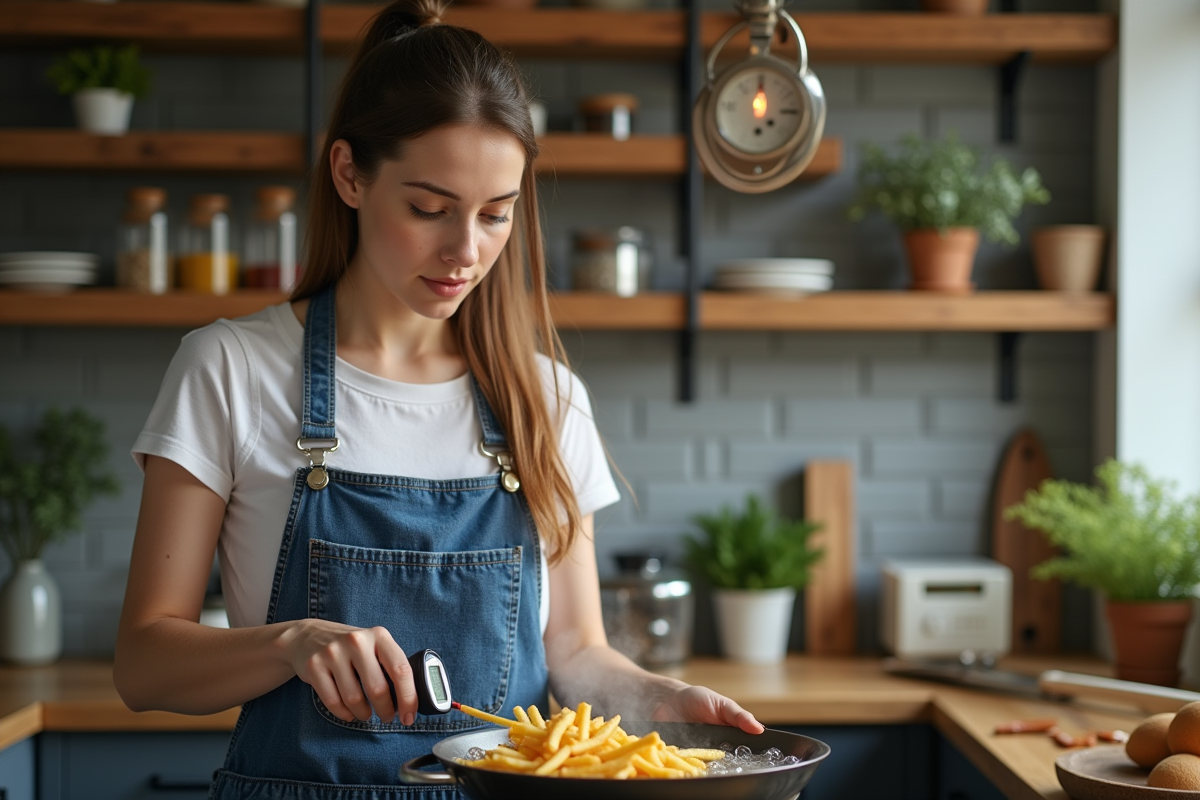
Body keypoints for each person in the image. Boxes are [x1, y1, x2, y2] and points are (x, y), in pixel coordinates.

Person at [113, 0, 763, 796]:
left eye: (496, 215)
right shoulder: (230, 369)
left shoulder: (545, 397)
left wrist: (664, 703)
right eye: (429, 209)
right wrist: (291, 643)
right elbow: (144, 665)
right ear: (350, 174)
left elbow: (577, 653)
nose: (466, 252)